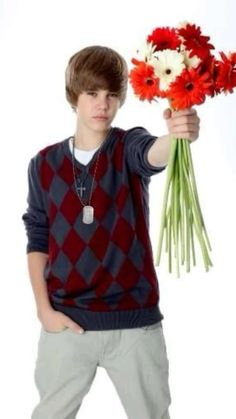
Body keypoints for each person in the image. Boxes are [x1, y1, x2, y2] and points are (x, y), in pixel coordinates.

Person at [22, 45, 200, 419]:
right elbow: (38, 237)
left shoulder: (126, 146)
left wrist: (178, 136)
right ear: (74, 96)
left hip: (134, 324)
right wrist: (44, 311)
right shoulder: (44, 165)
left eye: (111, 95)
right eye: (92, 94)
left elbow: (152, 154)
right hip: (67, 323)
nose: (102, 104)